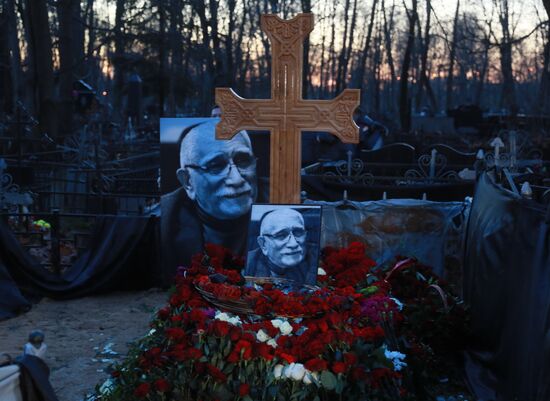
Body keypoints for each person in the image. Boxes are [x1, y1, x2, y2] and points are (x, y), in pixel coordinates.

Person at [161, 120, 257, 284]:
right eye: (215, 166)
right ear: (188, 182)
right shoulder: (167, 219)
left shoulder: (279, 199)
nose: (236, 179)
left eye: (243, 161)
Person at [244, 208, 317, 285]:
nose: (293, 244)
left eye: (298, 232)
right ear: (263, 244)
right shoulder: (249, 264)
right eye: (281, 235)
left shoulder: (313, 261)